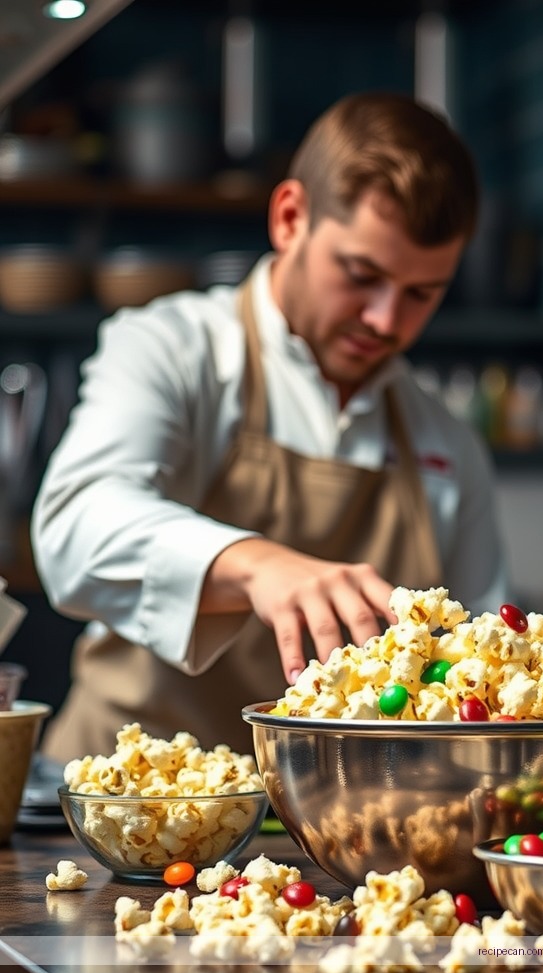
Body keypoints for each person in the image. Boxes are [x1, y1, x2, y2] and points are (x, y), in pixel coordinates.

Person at [31, 92, 509, 759]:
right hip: (127, 808)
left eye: (421, 293)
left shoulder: (446, 443)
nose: (386, 320)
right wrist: (256, 565)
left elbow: (481, 675)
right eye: (361, 274)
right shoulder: (172, 348)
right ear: (290, 218)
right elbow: (73, 528)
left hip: (331, 825)